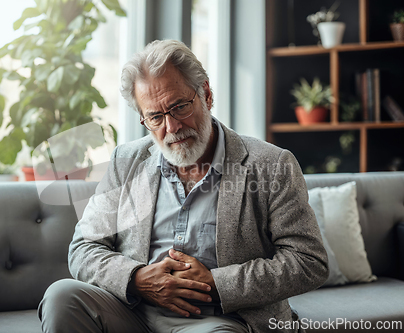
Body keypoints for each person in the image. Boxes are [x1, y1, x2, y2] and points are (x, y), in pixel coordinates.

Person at [38, 40, 328, 333]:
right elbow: (84, 247)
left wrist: (216, 283)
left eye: (179, 107)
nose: (172, 127)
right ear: (144, 119)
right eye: (155, 117)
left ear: (206, 94)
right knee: (62, 296)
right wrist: (138, 279)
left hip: (221, 318)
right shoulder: (125, 161)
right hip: (134, 311)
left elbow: (308, 261)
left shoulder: (272, 164)